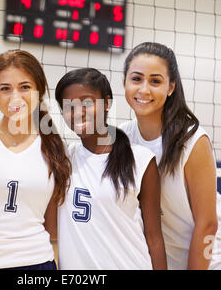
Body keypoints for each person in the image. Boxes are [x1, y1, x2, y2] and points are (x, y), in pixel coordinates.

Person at [120, 42, 221, 270]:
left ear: (170, 87)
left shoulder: (192, 140)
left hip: (220, 261)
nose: (144, 89)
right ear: (124, 82)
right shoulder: (123, 138)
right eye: (136, 79)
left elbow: (208, 224)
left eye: (155, 81)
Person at [0, 49, 71, 270]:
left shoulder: (54, 147)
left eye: (25, 87)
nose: (15, 97)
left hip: (36, 263)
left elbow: (52, 225)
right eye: (5, 88)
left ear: (39, 92)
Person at [54, 68, 166, 269]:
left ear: (106, 103)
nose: (77, 112)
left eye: (86, 103)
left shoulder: (140, 159)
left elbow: (154, 238)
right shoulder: (64, 159)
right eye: (68, 106)